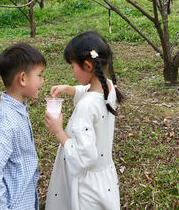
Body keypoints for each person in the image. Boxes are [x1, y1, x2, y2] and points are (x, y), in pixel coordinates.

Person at [44, 32, 124, 210]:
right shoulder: (108, 86)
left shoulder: (86, 107)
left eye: (72, 66)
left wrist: (59, 132)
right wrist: (70, 89)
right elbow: (90, 91)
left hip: (86, 188)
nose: (72, 71)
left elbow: (85, 157)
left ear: (87, 65)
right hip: (104, 180)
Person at [0, 43, 46, 210]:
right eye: (39, 75)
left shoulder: (17, 109)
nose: (42, 81)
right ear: (23, 78)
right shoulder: (8, 122)